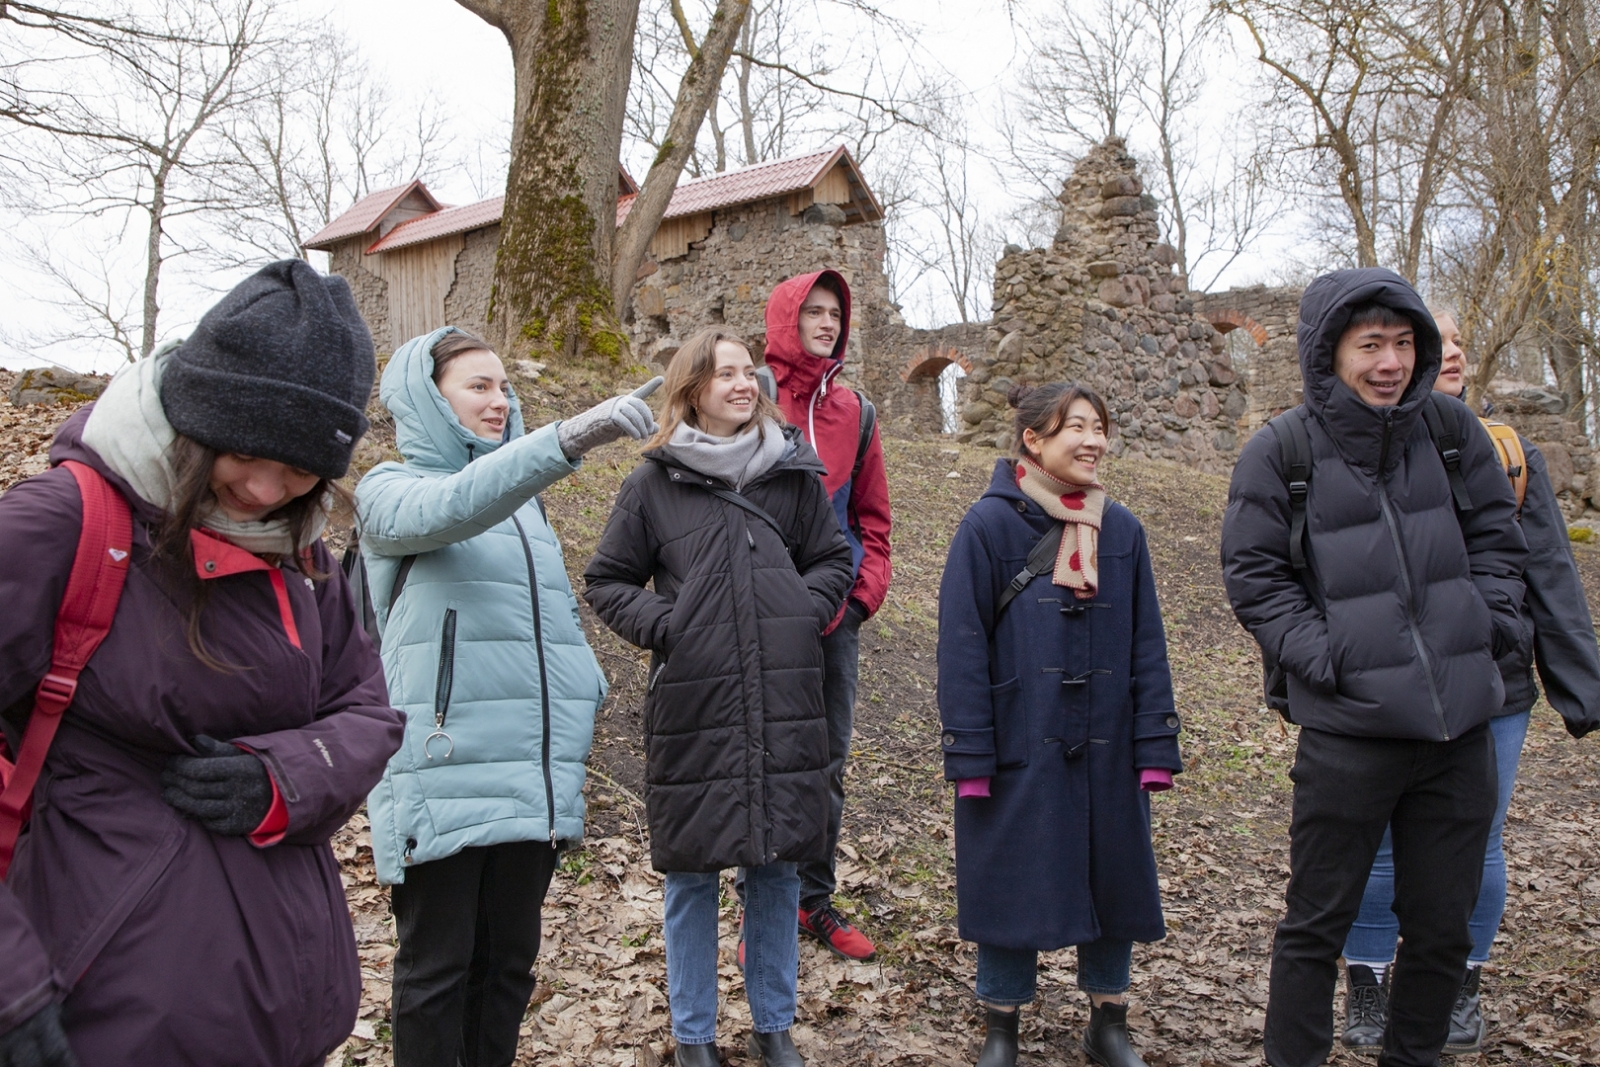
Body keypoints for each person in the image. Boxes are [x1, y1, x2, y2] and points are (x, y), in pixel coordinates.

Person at [0, 259, 405, 1066]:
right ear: (196, 417)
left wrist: (286, 775)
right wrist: (9, 987)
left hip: (283, 1003)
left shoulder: (302, 552)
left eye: (298, 471)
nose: (263, 489)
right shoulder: (63, 524)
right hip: (98, 1003)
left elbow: (365, 709)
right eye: (245, 452)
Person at [1220, 268, 1529, 1067]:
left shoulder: (1454, 433)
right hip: (1350, 732)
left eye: (1402, 343)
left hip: (1459, 727)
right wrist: (1332, 660)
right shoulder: (1280, 450)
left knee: (1441, 928)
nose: (1389, 362)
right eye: (1370, 345)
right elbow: (1254, 575)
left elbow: (1501, 540)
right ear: (1330, 353)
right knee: (1315, 924)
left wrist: (1487, 628)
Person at [354, 326, 658, 1067]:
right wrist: (572, 435)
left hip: (529, 769)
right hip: (443, 767)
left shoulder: (529, 510)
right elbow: (457, 505)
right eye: (478, 386)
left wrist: (586, 686)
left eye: (504, 386)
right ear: (429, 397)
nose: (500, 400)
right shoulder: (389, 490)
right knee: (436, 971)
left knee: (507, 970)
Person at [583, 326, 854, 1067]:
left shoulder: (793, 472)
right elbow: (606, 580)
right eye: (725, 373)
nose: (744, 383)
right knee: (694, 871)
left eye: (749, 371)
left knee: (776, 865)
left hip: (784, 697)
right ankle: (694, 1035)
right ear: (691, 387)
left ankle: (774, 1025)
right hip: (695, 702)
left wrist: (799, 610)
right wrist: (672, 628)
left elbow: (834, 559)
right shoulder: (653, 482)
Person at [1339, 308, 1600, 1056]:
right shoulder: (1358, 443)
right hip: (1390, 682)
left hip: (1492, 684)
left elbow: (1547, 570)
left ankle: (1461, 981)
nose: (1447, 354)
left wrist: (1578, 683)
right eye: (1432, 342)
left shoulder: (1511, 452)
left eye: (1456, 344)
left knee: (1476, 840)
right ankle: (1367, 978)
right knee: (1382, 839)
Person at [937, 382, 1182, 1067]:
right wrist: (971, 755)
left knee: (1115, 874)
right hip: (1020, 738)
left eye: (1100, 425)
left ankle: (1109, 1020)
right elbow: (960, 648)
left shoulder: (1124, 530)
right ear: (1033, 441)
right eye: (1075, 425)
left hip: (1108, 741)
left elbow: (1147, 642)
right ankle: (1001, 1025)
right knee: (1008, 875)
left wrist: (1154, 745)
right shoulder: (986, 527)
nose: (1094, 439)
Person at [753, 269, 892, 962]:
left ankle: (813, 901)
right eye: (812, 309)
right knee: (761, 762)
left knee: (826, 763)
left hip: (835, 621)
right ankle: (762, 915)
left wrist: (862, 599)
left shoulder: (857, 413)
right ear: (786, 317)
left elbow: (874, 521)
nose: (827, 320)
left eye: (835, 310)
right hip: (755, 618)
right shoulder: (746, 397)